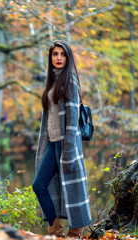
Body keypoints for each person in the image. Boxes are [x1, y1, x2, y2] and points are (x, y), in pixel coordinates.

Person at [32, 40, 92, 239]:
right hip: (53, 142)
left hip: (66, 144)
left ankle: (75, 232)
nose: (58, 58)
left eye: (62, 54)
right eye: (55, 54)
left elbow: (73, 120)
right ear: (50, 58)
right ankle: (56, 232)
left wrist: (68, 151)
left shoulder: (70, 80)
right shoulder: (53, 80)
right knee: (39, 186)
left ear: (68, 57)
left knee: (73, 186)